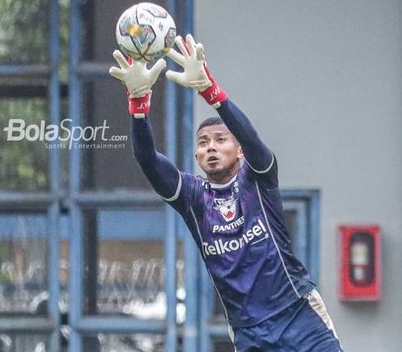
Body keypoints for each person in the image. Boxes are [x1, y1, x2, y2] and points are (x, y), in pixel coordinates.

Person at [109, 34, 343, 352]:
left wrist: (211, 91)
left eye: (221, 139)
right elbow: (147, 160)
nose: (212, 147)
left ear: (239, 150)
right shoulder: (193, 197)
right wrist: (138, 104)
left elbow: (253, 138)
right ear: (196, 157)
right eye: (203, 142)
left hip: (297, 313)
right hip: (249, 332)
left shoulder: (258, 178)